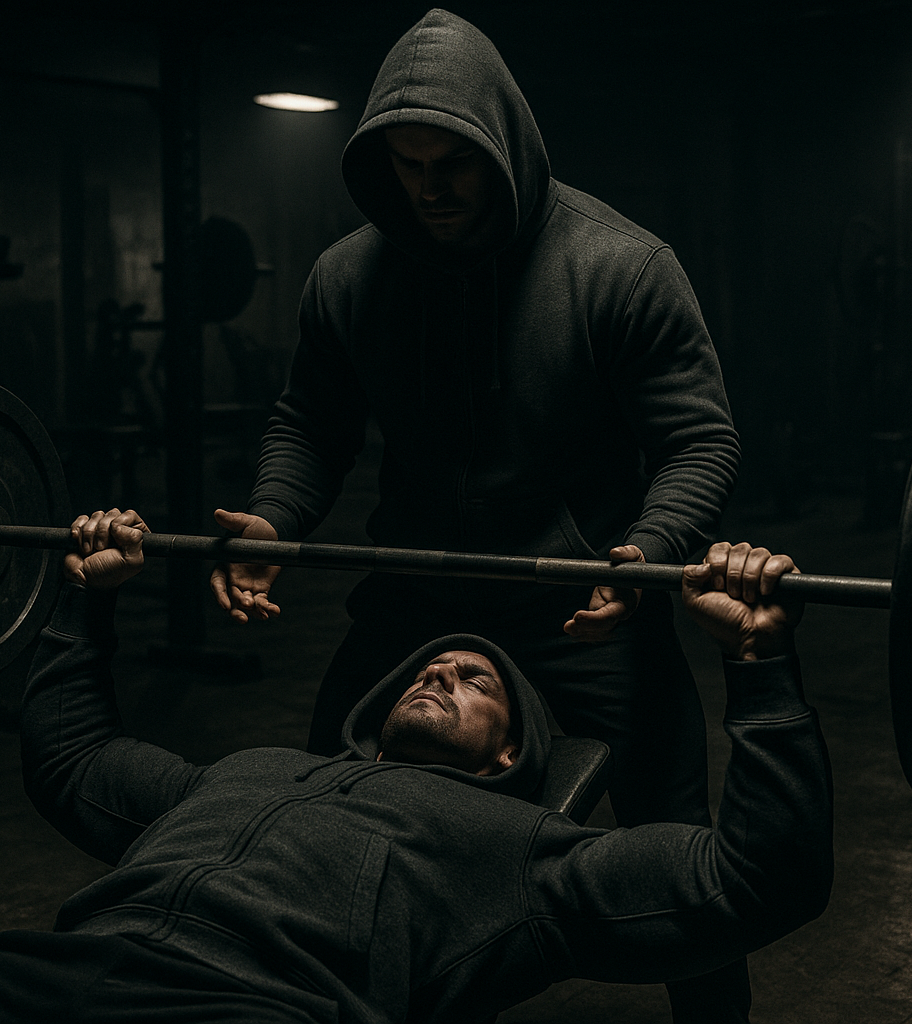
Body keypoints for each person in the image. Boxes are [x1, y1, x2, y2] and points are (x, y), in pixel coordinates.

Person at [0, 509, 831, 1024]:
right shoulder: (240, 771)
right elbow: (72, 761)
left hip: (259, 1008)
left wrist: (759, 662)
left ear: (510, 756)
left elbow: (758, 879)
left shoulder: (531, 854)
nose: (443, 672)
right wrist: (85, 604)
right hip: (63, 970)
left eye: (479, 681)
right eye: (432, 665)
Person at [210, 13, 741, 1014]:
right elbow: (309, 423)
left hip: (582, 600)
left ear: (504, 143)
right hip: (419, 593)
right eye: (407, 167)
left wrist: (649, 551)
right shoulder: (348, 277)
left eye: (452, 164)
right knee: (316, 792)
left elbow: (700, 441)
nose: (430, 189)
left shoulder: (622, 267)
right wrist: (275, 520)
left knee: (677, 839)